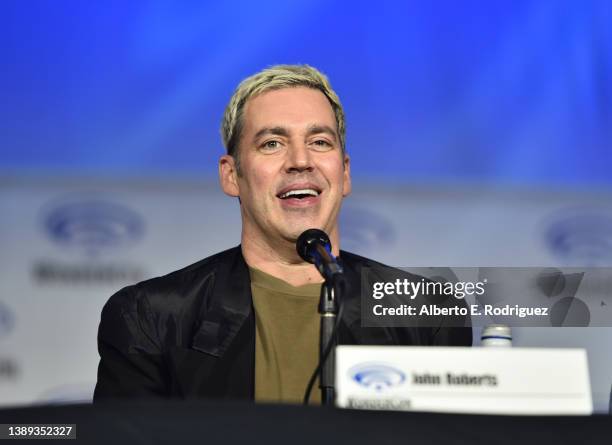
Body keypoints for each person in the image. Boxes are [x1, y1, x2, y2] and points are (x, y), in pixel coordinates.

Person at [93, 65, 471, 404]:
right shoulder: (149, 316)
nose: (300, 161)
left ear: (345, 173)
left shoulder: (427, 313)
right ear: (231, 175)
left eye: (320, 142)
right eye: (272, 143)